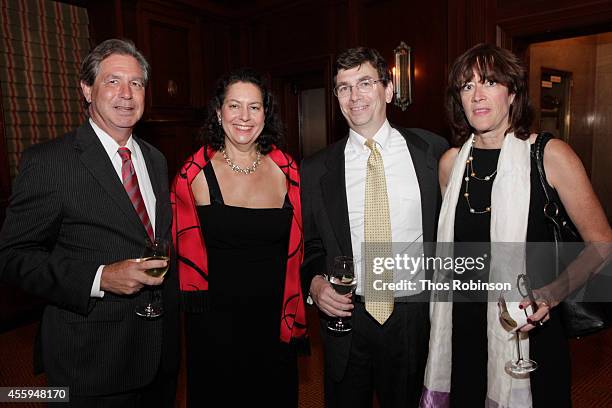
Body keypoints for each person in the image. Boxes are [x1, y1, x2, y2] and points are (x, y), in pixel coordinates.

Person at [421, 43, 612, 408]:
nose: (477, 95)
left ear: (512, 93)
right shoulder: (451, 164)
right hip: (460, 330)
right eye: (466, 86)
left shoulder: (550, 156)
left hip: (529, 327)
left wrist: (553, 293)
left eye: (489, 82)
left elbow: (602, 241)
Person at [0, 39, 179, 406]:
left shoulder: (156, 158)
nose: (126, 94)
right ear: (86, 89)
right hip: (92, 360)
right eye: (113, 81)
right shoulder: (49, 163)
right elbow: (12, 257)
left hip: (159, 352)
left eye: (137, 83)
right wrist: (100, 277)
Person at [301, 46, 448, 407]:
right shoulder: (316, 169)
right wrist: (316, 284)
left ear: (389, 89)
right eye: (343, 87)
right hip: (347, 317)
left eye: (365, 83)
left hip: (414, 314)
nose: (354, 96)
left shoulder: (432, 151)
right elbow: (311, 246)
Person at [171, 67, 307, 406]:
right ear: (219, 112)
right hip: (215, 326)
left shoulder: (288, 171)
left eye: (254, 107)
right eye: (234, 106)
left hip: (274, 320)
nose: (244, 116)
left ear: (266, 114)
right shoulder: (193, 176)